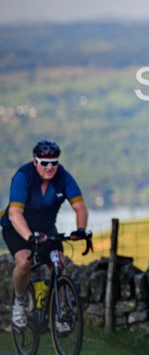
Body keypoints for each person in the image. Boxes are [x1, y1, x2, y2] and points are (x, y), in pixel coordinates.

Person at [1, 140, 89, 329]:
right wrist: (30, 238)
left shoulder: (63, 177)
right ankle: (20, 300)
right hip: (17, 227)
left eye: (54, 163)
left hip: (46, 229)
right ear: (35, 161)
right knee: (24, 262)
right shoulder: (23, 177)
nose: (50, 167)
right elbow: (14, 213)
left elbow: (80, 207)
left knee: (58, 265)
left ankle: (61, 313)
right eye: (44, 162)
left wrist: (80, 230)